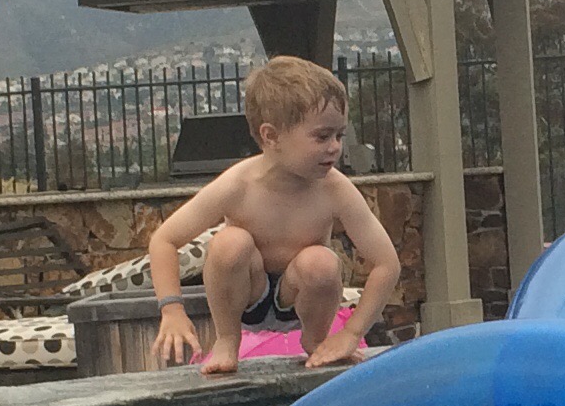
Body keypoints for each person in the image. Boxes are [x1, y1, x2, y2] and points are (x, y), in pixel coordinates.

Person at [150, 56, 399, 375]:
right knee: (230, 243)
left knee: (320, 262)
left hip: (299, 297)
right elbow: (164, 240)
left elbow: (386, 263)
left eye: (339, 135)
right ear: (271, 136)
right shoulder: (238, 185)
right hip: (247, 294)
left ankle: (316, 341)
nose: (335, 147)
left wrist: (351, 334)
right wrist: (171, 309)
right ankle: (227, 339)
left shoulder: (335, 189)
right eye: (322, 136)